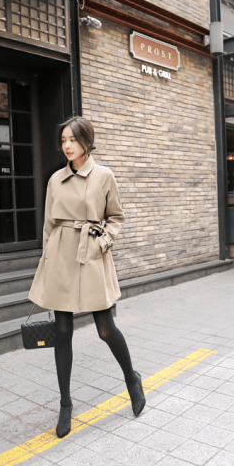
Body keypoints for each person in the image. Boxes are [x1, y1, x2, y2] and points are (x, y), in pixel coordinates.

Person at [28, 116, 146, 438]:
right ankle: (66, 404)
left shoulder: (104, 176)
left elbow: (116, 217)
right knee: (62, 331)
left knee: (106, 329)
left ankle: (132, 379)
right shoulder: (55, 180)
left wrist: (103, 242)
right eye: (63, 140)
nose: (67, 146)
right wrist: (47, 259)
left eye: (73, 140)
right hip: (61, 257)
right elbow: (48, 224)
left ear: (86, 143)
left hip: (91, 254)